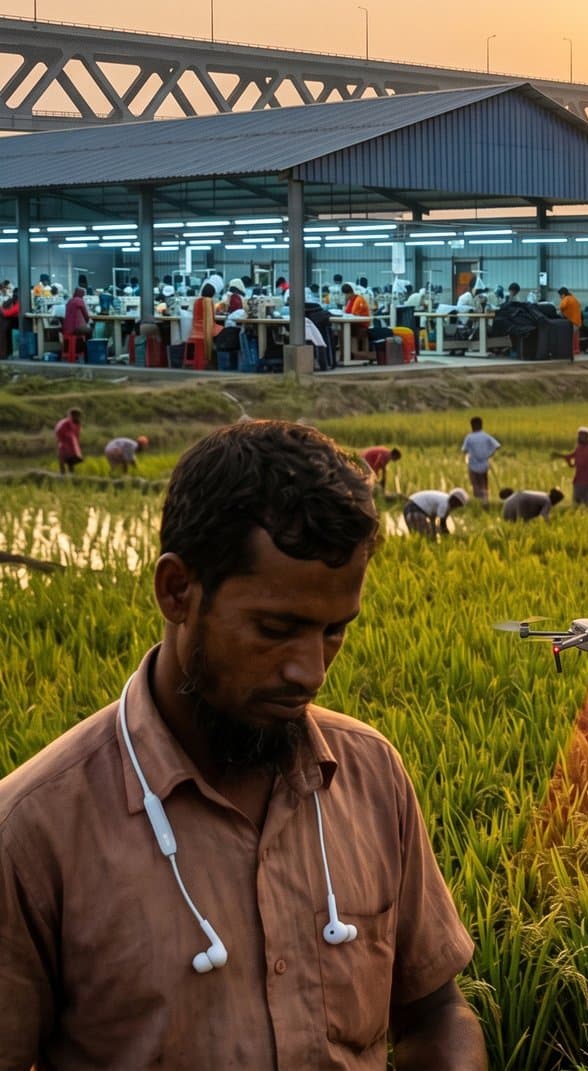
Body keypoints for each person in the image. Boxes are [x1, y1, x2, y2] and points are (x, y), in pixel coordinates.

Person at [0, 420, 483, 1069]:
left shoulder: (371, 776)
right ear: (177, 591)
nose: (309, 671)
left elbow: (435, 1010)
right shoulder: (32, 833)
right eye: (277, 628)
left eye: (335, 631)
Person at [555, 426, 588, 508]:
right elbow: (573, 456)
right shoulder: (579, 446)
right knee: (576, 503)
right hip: (578, 479)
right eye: (580, 435)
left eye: (583, 435)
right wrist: (561, 456)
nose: (581, 437)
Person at [461, 416, 503, 502]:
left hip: (473, 465)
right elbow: (497, 446)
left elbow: (464, 450)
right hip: (484, 465)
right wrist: (488, 454)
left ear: (472, 426)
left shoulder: (469, 437)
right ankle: (485, 501)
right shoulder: (486, 436)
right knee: (484, 485)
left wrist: (468, 456)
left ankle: (478, 502)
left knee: (475, 485)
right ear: (481, 425)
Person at [500, 487, 564, 521]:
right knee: (521, 526)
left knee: (510, 523)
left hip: (511, 500)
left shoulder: (543, 495)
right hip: (522, 502)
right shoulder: (547, 501)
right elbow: (543, 517)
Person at [63, 284, 91, 358]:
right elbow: (86, 316)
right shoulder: (79, 301)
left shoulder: (70, 301)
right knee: (90, 331)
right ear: (82, 294)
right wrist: (87, 322)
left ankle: (78, 351)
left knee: (84, 332)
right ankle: (87, 353)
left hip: (66, 328)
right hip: (76, 328)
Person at [54, 407, 83, 475]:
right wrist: (66, 438)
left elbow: (77, 434)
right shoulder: (65, 423)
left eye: (78, 415)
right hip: (64, 443)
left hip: (72, 444)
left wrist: (77, 442)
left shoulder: (77, 423)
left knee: (71, 460)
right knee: (62, 459)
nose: (78, 417)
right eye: (76, 415)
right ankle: (62, 475)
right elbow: (59, 431)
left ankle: (71, 474)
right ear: (71, 415)